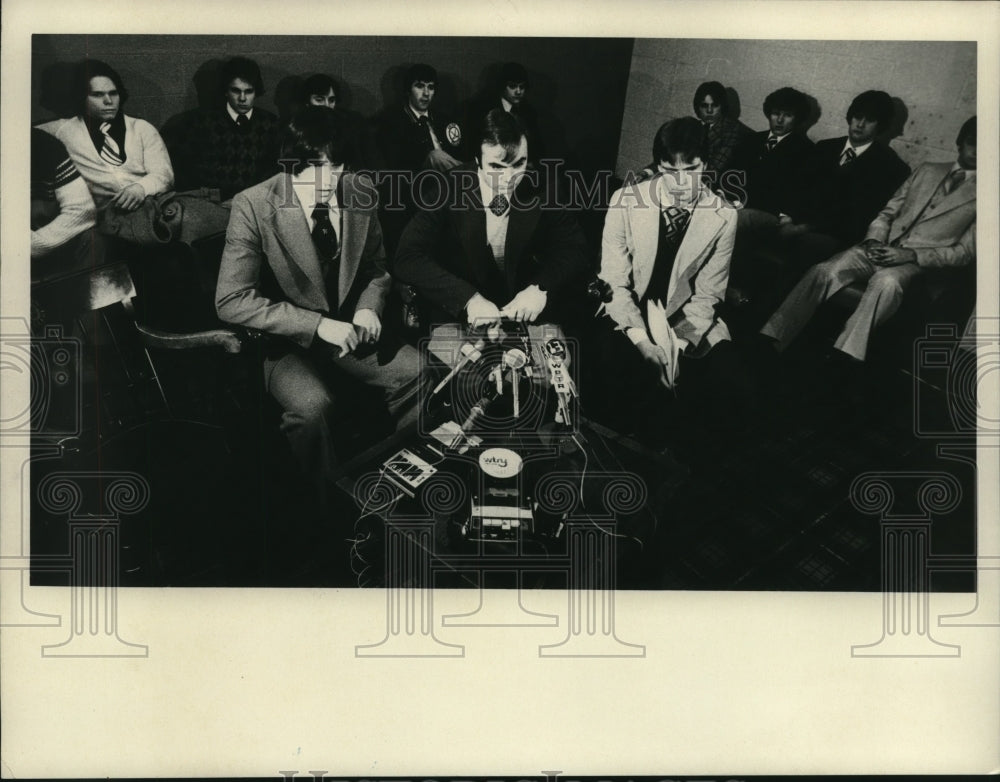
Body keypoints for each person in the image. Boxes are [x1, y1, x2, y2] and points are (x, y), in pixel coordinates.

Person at [215, 106, 425, 508]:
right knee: (313, 408)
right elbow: (230, 300)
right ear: (291, 164)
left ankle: (402, 487)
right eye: (314, 166)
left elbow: (377, 269)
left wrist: (369, 307)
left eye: (337, 165)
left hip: (348, 331)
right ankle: (328, 509)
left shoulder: (359, 191)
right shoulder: (254, 204)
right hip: (283, 345)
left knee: (417, 372)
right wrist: (316, 325)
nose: (328, 180)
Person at [760, 116, 977, 363]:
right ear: (960, 142)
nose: (977, 151)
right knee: (824, 271)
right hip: (878, 248)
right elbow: (887, 213)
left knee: (886, 283)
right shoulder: (927, 170)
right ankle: (773, 337)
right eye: (972, 142)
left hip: (917, 264)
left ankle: (844, 355)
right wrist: (874, 240)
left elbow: (964, 253)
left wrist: (911, 255)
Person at [392, 108, 589, 361]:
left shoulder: (545, 187)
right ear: (476, 161)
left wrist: (541, 288)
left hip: (522, 309)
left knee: (548, 376)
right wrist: (467, 299)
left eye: (519, 163)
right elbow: (407, 257)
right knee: (471, 377)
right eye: (496, 166)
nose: (509, 178)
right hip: (457, 309)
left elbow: (576, 249)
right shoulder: (448, 188)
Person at [595, 117, 748, 438]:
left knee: (727, 382)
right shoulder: (624, 201)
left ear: (706, 164)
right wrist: (640, 339)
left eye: (690, 170)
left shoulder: (724, 216)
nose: (680, 183)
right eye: (669, 171)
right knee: (606, 371)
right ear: (657, 166)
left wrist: (674, 347)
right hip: (628, 312)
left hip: (686, 321)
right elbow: (613, 282)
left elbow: (708, 295)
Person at [778, 90, 911, 268]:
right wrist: (786, 219)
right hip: (794, 224)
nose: (860, 124)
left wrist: (803, 228)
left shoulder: (890, 166)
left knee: (807, 247)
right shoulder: (824, 148)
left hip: (836, 237)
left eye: (869, 120)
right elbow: (796, 187)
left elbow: (859, 218)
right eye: (857, 117)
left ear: (881, 125)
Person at [37, 59, 173, 216]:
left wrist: (140, 188)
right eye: (97, 95)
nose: (108, 101)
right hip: (103, 219)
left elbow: (164, 174)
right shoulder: (63, 130)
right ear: (82, 98)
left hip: (151, 210)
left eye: (113, 93)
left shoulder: (142, 128)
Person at [373, 63, 466, 256]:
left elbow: (461, 152)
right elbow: (394, 166)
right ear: (408, 89)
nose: (426, 93)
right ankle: (474, 183)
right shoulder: (392, 122)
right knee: (435, 156)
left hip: (448, 187)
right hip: (416, 186)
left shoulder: (444, 120)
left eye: (431, 87)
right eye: (420, 86)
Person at [162, 56, 281, 200]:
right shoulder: (200, 123)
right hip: (212, 204)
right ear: (225, 91)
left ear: (256, 92)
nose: (242, 98)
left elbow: (275, 174)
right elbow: (186, 173)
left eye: (248, 91)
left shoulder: (271, 124)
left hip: (255, 203)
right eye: (235, 91)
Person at [636, 80, 747, 187]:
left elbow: (712, 171)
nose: (709, 111)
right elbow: (671, 155)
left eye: (715, 105)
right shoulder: (693, 126)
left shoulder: (733, 131)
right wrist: (647, 172)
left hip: (717, 188)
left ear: (722, 106)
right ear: (697, 106)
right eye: (704, 106)